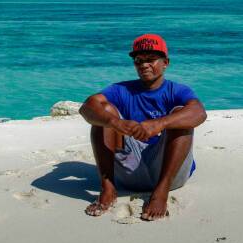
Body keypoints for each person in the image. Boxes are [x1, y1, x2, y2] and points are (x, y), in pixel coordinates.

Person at [79, 34, 207, 221]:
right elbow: (87, 108)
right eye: (139, 60)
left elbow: (199, 113)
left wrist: (159, 123)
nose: (144, 64)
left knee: (182, 114)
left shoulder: (177, 90)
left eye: (151, 59)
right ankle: (108, 188)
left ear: (165, 63)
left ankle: (160, 192)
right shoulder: (121, 90)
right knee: (103, 112)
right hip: (129, 171)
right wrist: (117, 123)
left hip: (170, 175)